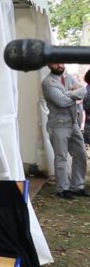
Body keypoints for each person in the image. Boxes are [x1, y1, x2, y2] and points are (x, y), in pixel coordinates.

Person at [42, 63, 88, 199]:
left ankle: (77, 186)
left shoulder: (68, 77)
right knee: (61, 157)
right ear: (49, 64)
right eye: (56, 63)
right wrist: (74, 95)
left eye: (61, 61)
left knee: (80, 154)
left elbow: (83, 91)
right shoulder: (47, 82)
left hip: (73, 123)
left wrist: (67, 94)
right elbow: (61, 102)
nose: (60, 65)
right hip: (58, 125)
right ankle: (62, 189)